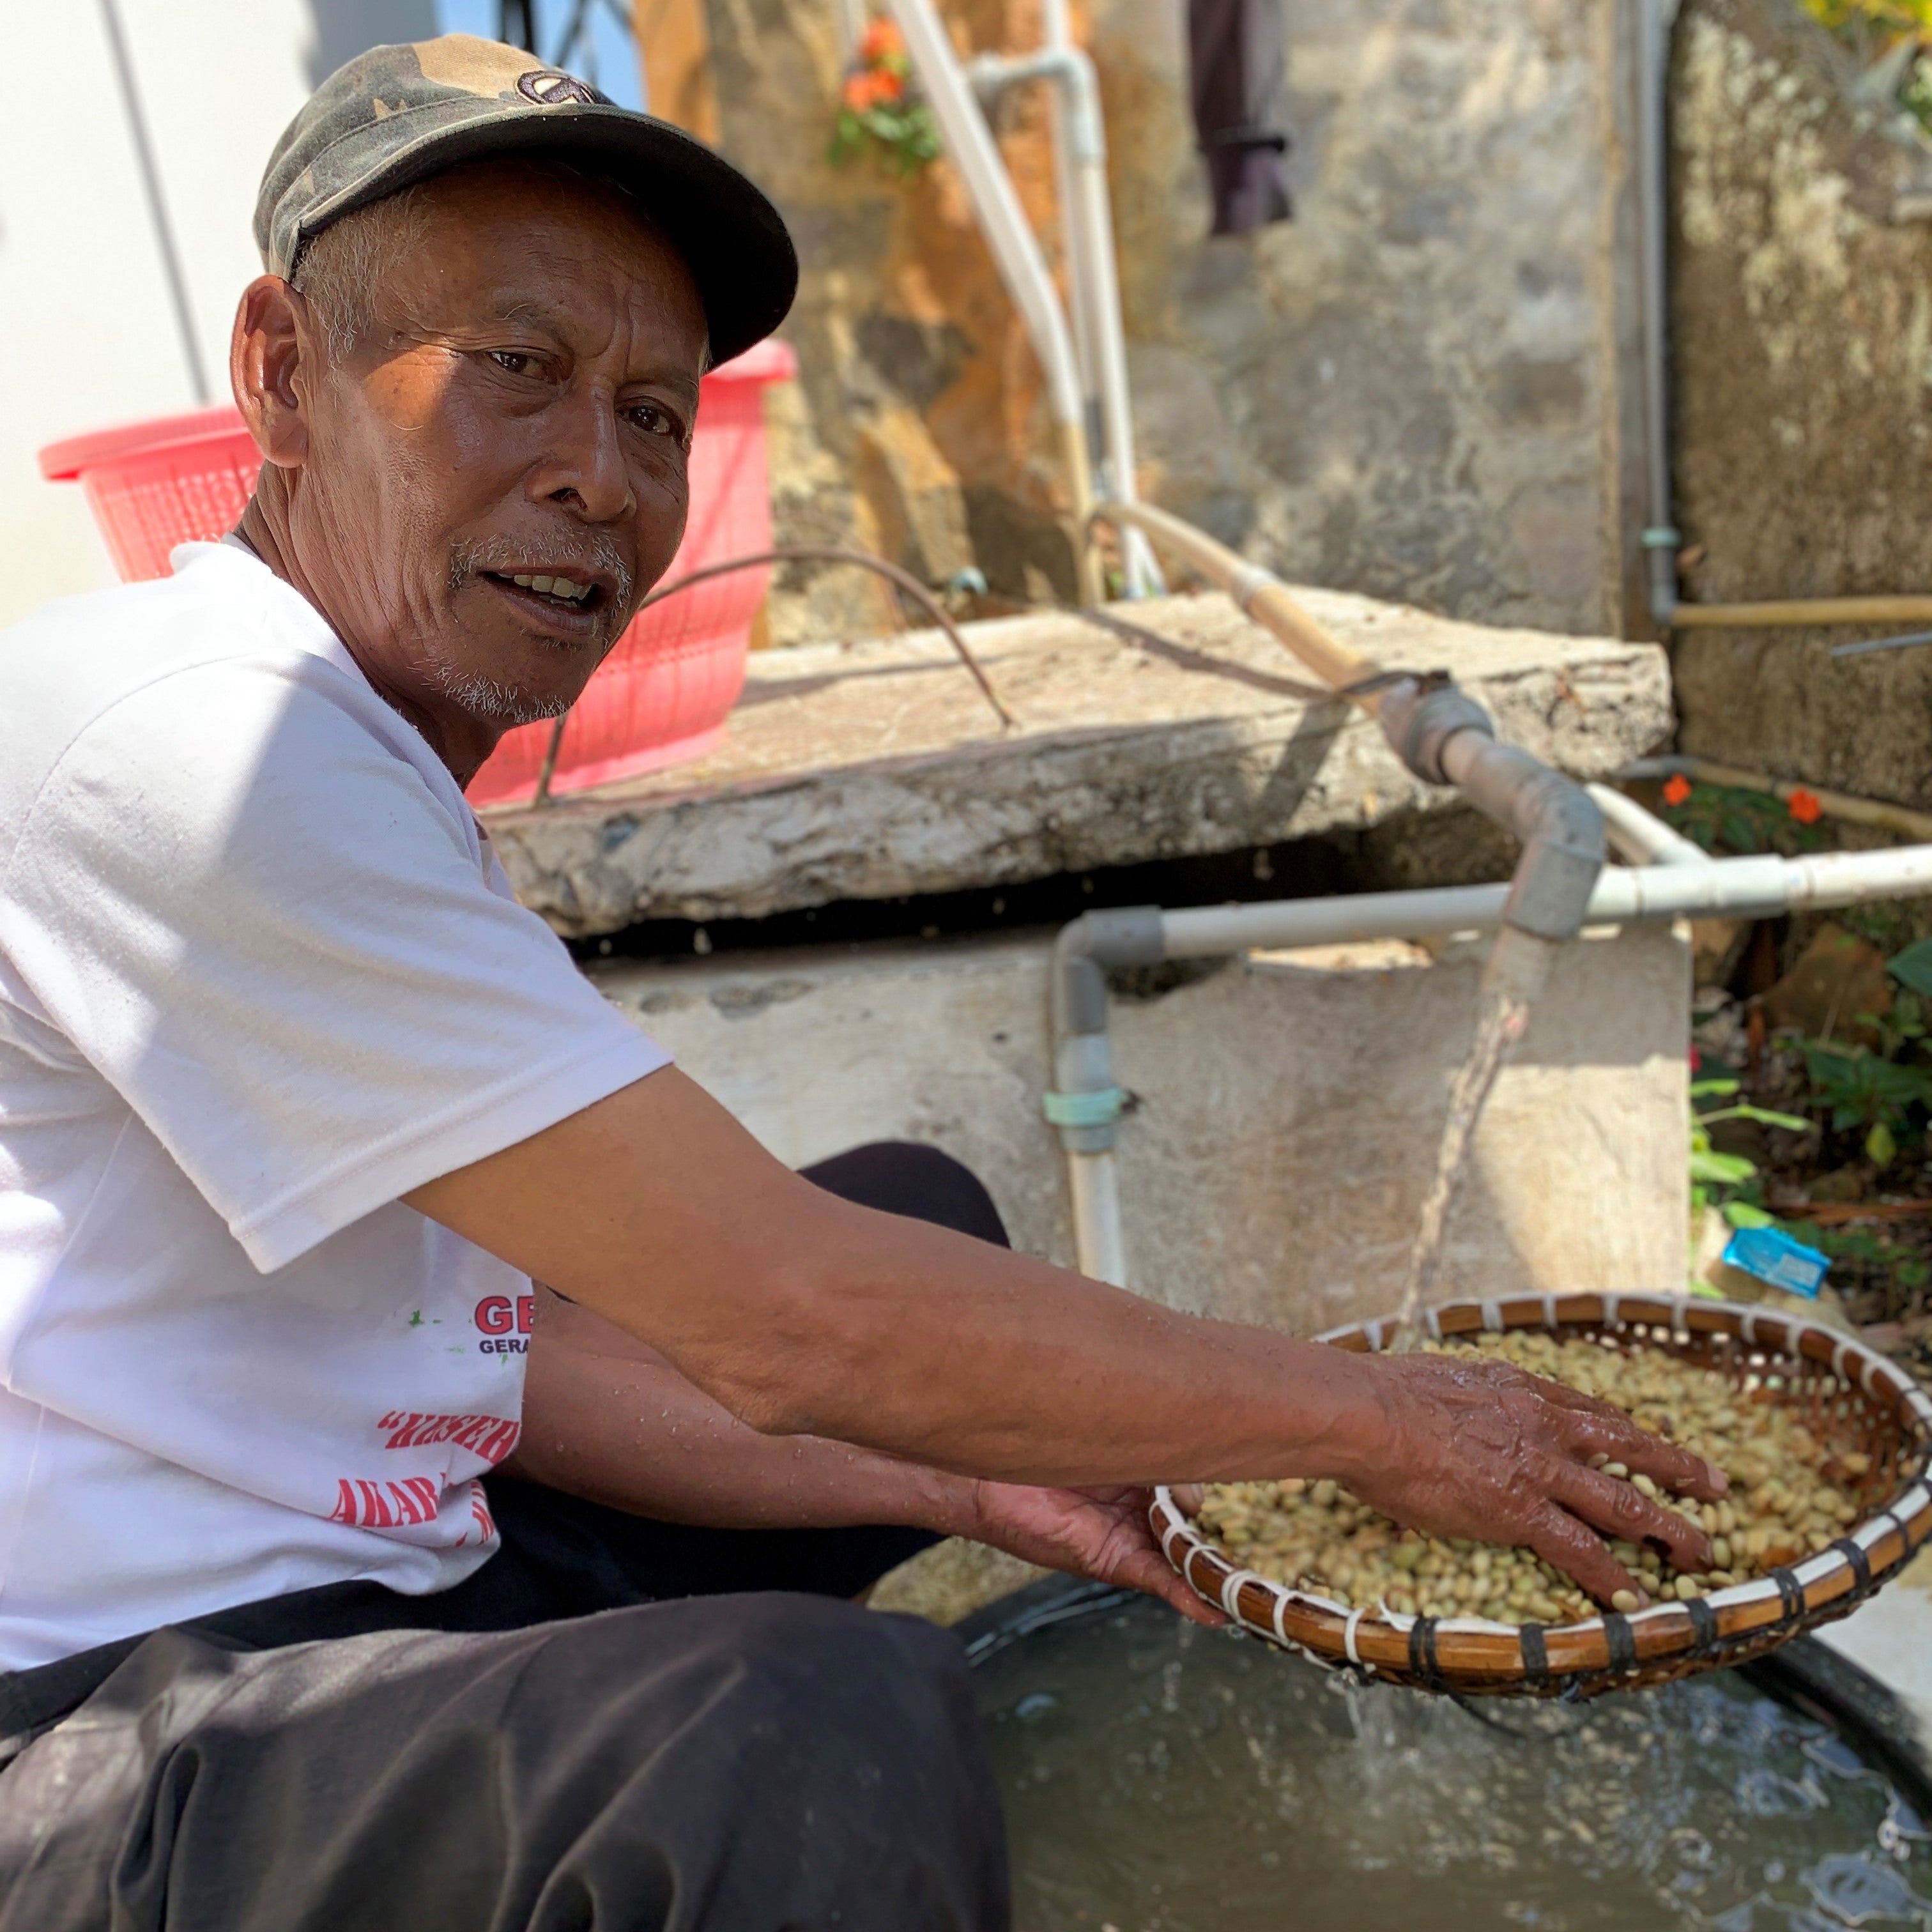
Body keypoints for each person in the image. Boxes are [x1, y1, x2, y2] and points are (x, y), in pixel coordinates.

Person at [0, 33, 1724, 1932]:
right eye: (516, 370)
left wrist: (996, 1487)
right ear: (280, 377)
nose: (600, 476)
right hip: (91, 1729)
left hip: (371, 1560)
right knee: (801, 1730)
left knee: (925, 1221)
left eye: (658, 414)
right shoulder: (189, 752)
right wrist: (1378, 1418)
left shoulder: (354, 754)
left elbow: (487, 1367)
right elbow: (786, 1320)